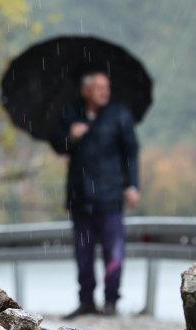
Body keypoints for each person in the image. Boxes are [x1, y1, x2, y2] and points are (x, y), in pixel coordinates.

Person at [51, 71, 140, 317]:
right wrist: (71, 136)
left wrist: (132, 185)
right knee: (83, 252)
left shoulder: (119, 116)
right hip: (80, 197)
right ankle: (86, 300)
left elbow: (131, 153)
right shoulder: (71, 114)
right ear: (85, 90)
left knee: (114, 250)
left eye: (107, 87)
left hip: (110, 196)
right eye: (99, 87)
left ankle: (111, 301)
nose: (104, 92)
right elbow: (57, 144)